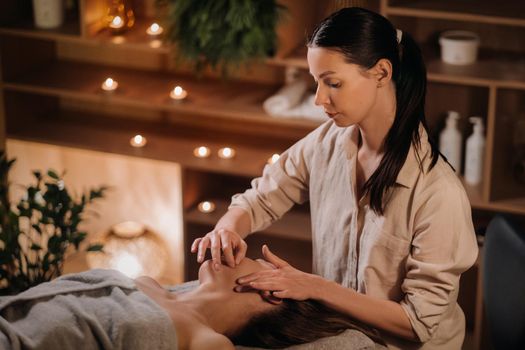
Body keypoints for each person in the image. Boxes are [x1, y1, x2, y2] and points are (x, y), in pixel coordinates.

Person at [191, 7, 479, 350]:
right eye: (316, 82)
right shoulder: (328, 143)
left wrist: (315, 287)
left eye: (333, 83)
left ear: (382, 73)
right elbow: (262, 198)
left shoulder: (436, 193)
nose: (319, 99)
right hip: (339, 336)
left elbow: (417, 323)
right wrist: (228, 228)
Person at [0, 256, 378, 350]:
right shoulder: (149, 284)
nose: (240, 253)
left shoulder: (207, 341)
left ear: (270, 291)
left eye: (260, 262)